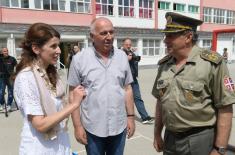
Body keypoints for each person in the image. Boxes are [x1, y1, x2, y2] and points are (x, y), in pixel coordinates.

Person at [152, 12, 234, 155]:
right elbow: (161, 102)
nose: (165, 40)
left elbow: (225, 107)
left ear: (188, 37)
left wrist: (219, 149)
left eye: (170, 36)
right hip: (170, 138)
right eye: (165, 36)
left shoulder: (211, 63)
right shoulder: (164, 65)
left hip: (199, 140)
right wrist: (157, 134)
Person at [13, 23, 86, 155]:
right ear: (36, 49)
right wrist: (74, 104)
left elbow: (58, 109)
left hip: (60, 145)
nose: (59, 50)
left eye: (58, 45)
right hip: (40, 148)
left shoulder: (51, 73)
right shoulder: (27, 78)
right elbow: (40, 125)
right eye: (53, 46)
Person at [68, 17, 135, 155]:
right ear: (92, 36)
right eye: (104, 33)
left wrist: (131, 117)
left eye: (111, 32)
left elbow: (127, 89)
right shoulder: (79, 59)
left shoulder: (122, 56)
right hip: (92, 128)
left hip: (119, 125)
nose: (109, 37)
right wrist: (77, 126)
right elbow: (72, 94)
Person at [122, 38, 154, 124]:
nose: (128, 46)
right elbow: (117, 66)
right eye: (126, 44)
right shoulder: (120, 54)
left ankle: (145, 117)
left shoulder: (131, 52)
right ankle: (121, 117)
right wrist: (126, 59)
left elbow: (137, 59)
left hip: (133, 79)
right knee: (123, 99)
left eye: (130, 44)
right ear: (123, 45)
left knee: (138, 98)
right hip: (124, 81)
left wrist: (134, 54)